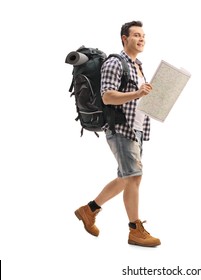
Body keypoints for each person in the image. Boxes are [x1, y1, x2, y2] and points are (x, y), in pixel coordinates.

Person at [74, 21, 161, 247]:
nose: (141, 39)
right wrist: (138, 92)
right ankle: (135, 230)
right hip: (121, 128)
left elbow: (138, 96)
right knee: (134, 177)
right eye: (135, 35)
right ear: (124, 38)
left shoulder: (138, 65)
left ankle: (89, 210)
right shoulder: (115, 62)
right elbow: (107, 96)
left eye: (143, 35)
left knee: (125, 177)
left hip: (138, 128)